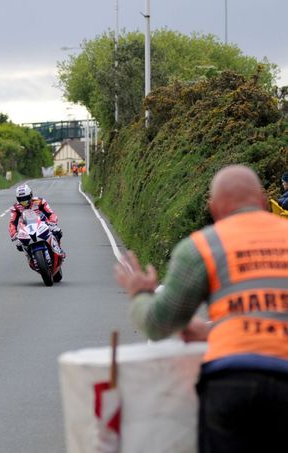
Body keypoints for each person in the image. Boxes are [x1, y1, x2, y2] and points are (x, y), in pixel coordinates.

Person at [114, 165, 288, 453]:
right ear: (262, 201)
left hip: (231, 383)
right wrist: (211, 333)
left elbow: (159, 324)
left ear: (214, 209)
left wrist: (141, 293)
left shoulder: (202, 247)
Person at [8, 184, 64, 254]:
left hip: (43, 224)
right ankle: (30, 257)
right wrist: (14, 234)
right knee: (20, 246)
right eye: (21, 199)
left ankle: (58, 249)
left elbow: (50, 213)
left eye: (26, 198)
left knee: (58, 232)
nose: (24, 201)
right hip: (26, 229)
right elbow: (12, 222)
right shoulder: (15, 208)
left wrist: (53, 223)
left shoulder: (39, 201)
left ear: (30, 195)